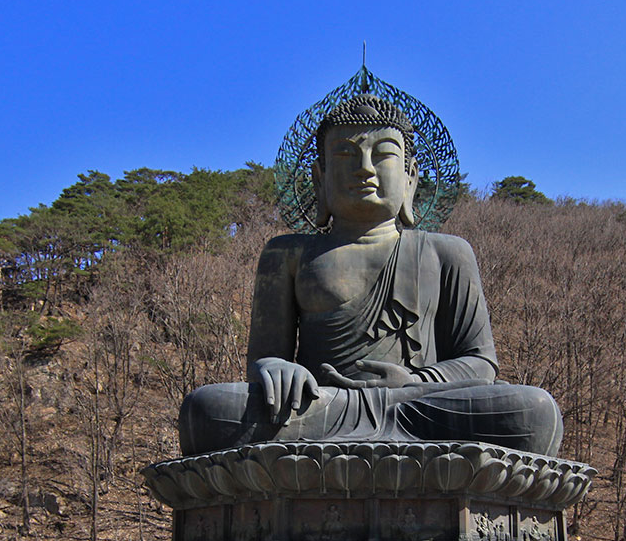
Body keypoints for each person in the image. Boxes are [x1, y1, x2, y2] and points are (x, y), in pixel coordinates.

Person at [178, 94, 563, 457]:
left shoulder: (447, 252)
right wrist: (274, 368)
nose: (364, 168)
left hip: (419, 406)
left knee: (534, 411)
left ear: (410, 177)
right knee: (206, 409)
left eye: (382, 155)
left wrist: (417, 383)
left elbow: (480, 363)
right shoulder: (287, 253)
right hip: (322, 406)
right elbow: (265, 358)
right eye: (346, 154)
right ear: (320, 177)